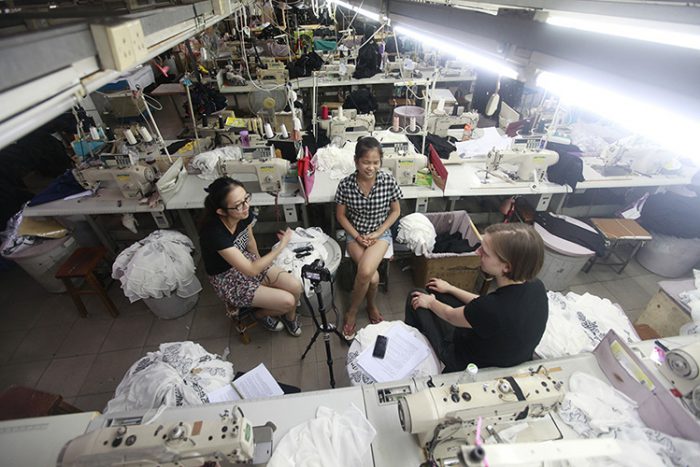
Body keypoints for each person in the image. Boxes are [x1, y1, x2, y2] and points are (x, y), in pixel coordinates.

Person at [405, 223, 548, 371]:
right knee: (435, 289)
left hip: (467, 362)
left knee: (415, 296)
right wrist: (450, 288)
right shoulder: (536, 286)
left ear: (507, 267)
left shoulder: (492, 308)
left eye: (485, 252)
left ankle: (414, 346)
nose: (477, 252)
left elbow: (450, 315)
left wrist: (430, 302)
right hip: (503, 350)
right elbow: (481, 304)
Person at [199, 177, 302, 336]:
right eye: (238, 205)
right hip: (228, 278)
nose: (246, 206)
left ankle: (290, 318)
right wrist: (282, 245)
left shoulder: (243, 213)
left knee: (296, 287)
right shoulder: (214, 233)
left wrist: (262, 264)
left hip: (247, 261)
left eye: (246, 198)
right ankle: (258, 315)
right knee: (288, 301)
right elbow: (251, 271)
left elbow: (250, 241)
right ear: (221, 211)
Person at [336, 137, 402, 340]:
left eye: (375, 162)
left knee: (365, 271)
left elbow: (396, 211)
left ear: (380, 162)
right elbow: (340, 216)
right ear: (356, 161)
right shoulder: (346, 184)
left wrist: (377, 232)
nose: (370, 167)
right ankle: (369, 306)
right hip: (355, 235)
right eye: (366, 162)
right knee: (372, 278)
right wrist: (356, 235)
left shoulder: (388, 181)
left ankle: (352, 311)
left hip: (380, 235)